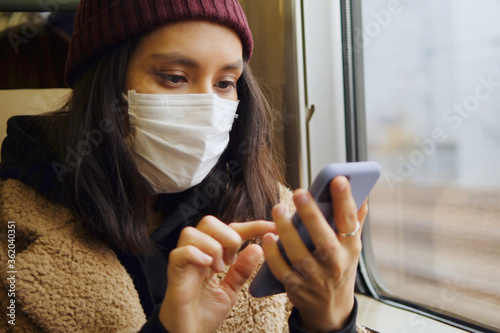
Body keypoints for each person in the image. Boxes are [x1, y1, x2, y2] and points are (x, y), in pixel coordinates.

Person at [0, 0, 370, 332]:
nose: (207, 110)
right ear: (103, 86)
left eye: (225, 83)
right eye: (174, 77)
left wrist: (332, 320)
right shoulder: (12, 236)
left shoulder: (275, 217)